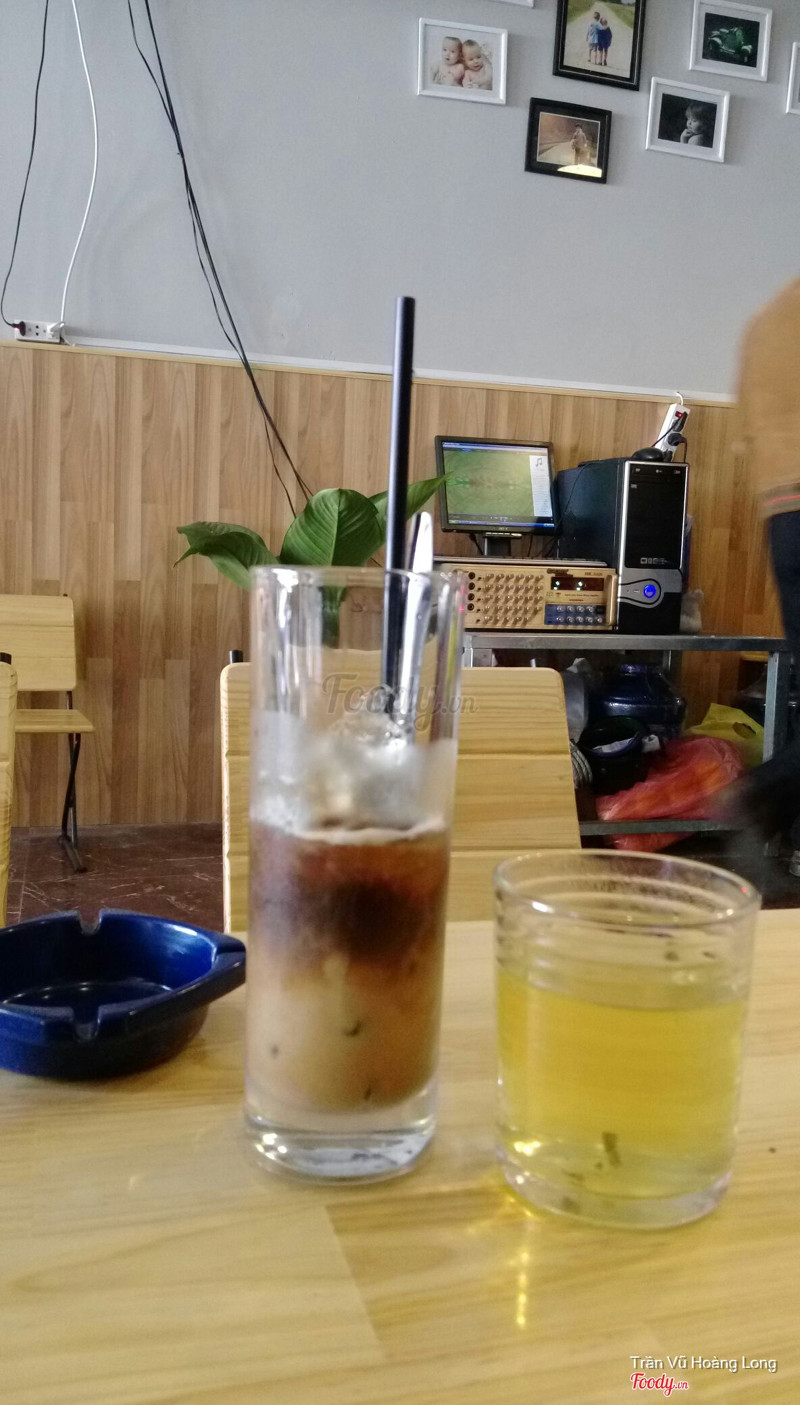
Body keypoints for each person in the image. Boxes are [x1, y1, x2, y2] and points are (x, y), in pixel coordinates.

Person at [714, 277, 800, 869]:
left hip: (785, 519)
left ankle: (770, 800)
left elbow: (745, 429)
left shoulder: (768, 319)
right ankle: (766, 793)